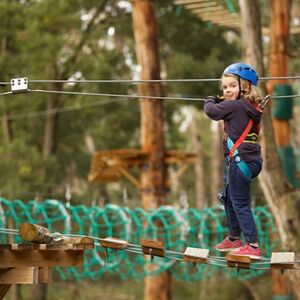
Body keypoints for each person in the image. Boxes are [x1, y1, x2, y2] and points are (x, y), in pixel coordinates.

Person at [204, 63, 264, 259]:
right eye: (225, 87)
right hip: (250, 161)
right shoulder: (251, 106)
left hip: (241, 161)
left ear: (245, 87)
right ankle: (233, 238)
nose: (227, 91)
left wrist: (209, 99)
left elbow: (212, 111)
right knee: (231, 198)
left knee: (240, 203)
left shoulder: (235, 105)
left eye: (232, 86)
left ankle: (253, 245)